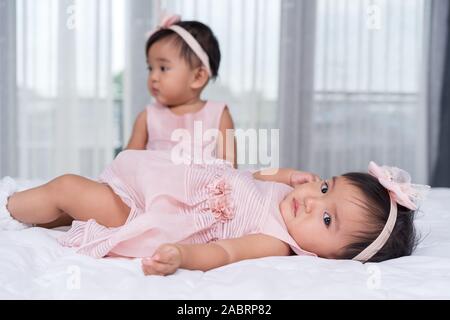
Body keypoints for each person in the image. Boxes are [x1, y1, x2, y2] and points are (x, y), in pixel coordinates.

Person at [0, 150, 428, 276]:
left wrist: (181, 257)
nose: (312, 200)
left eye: (327, 219)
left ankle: (9, 205)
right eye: (325, 186)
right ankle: (31, 208)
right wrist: (289, 172)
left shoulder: (274, 240)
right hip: (160, 181)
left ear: (330, 257)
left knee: (69, 188)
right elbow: (253, 173)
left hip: (149, 211)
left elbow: (223, 254)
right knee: (76, 202)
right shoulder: (293, 191)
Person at [126, 14, 237, 167]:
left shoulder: (218, 114)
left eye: (163, 68)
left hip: (201, 188)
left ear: (198, 76)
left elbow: (229, 165)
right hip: (155, 188)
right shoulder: (148, 117)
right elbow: (127, 163)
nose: (153, 77)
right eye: (150, 68)